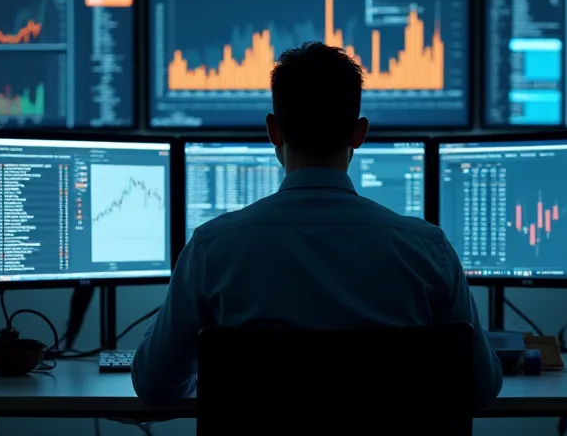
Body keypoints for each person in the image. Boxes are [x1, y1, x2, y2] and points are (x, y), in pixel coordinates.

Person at [131, 41, 503, 405]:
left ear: (273, 131)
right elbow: (482, 387)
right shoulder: (428, 250)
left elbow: (154, 385)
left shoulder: (210, 249)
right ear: (360, 133)